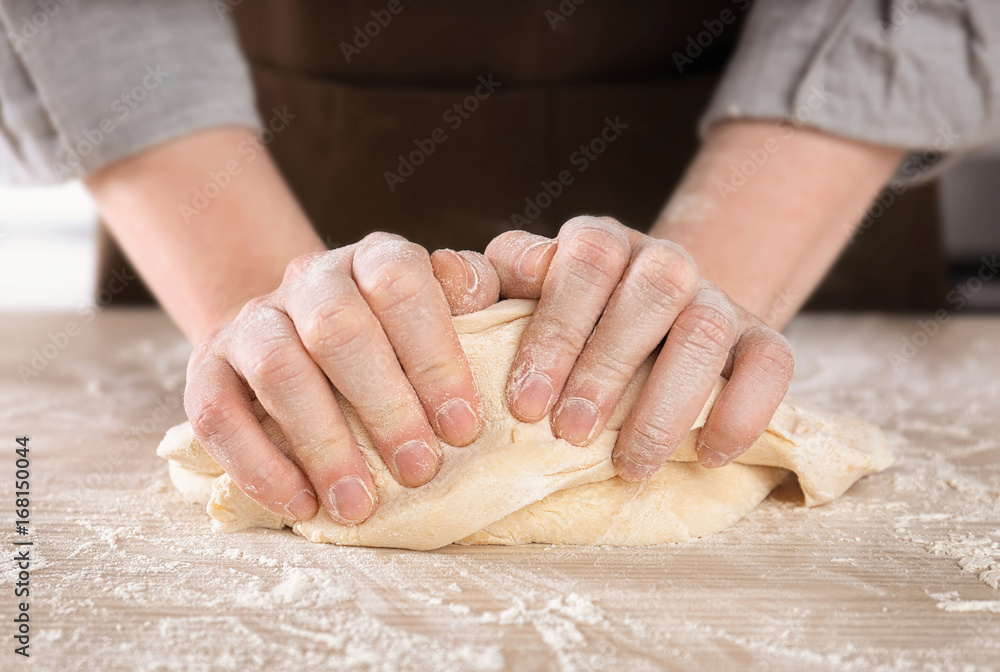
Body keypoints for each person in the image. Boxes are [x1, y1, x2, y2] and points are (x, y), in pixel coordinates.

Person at [2, 0, 996, 526]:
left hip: (799, 153)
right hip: (231, 148)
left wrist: (701, 295)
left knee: (694, 403)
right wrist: (264, 313)